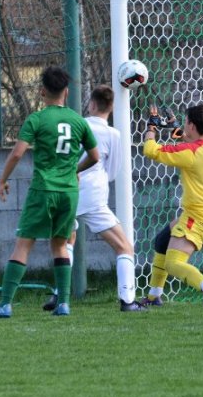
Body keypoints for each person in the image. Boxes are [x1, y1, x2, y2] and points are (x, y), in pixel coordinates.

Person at [0, 66, 99, 318]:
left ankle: (5, 304)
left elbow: (17, 153)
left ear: (41, 92)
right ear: (66, 92)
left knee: (24, 244)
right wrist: (74, 170)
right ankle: (64, 303)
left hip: (43, 190)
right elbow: (95, 156)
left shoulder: (36, 119)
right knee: (60, 245)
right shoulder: (78, 121)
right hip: (69, 192)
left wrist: (3, 180)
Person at [42, 85, 144, 313]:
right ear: (111, 107)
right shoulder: (113, 134)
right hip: (93, 196)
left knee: (67, 241)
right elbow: (113, 170)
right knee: (124, 247)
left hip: (65, 189)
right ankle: (127, 301)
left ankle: (60, 295)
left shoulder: (76, 124)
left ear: (92, 104)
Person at [139, 103, 203, 307]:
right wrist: (173, 127)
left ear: (192, 126)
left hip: (198, 216)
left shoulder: (190, 153)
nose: (184, 124)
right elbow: (187, 142)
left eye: (185, 121)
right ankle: (154, 296)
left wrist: (151, 127)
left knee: (173, 263)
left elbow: (150, 150)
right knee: (162, 241)